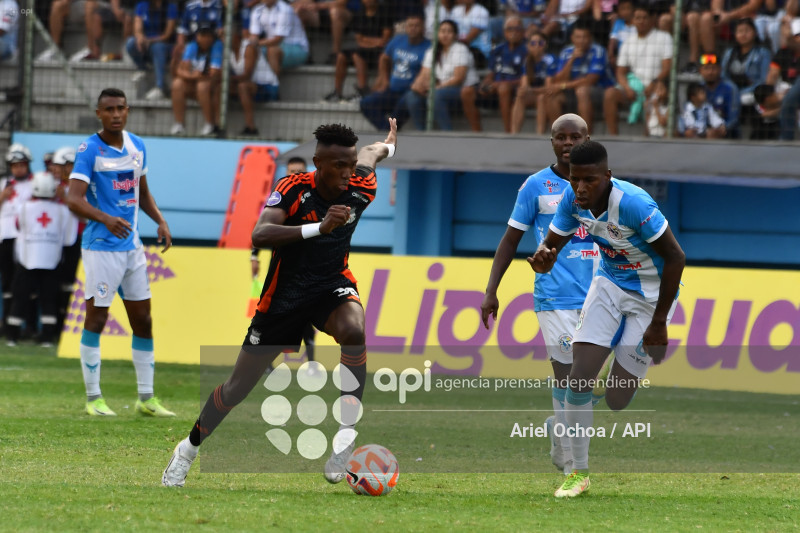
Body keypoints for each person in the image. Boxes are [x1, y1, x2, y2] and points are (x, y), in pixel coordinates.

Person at [162, 119, 398, 488]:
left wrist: (390, 144)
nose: (349, 173)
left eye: (351, 165)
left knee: (354, 330)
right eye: (340, 166)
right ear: (318, 163)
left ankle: (345, 433)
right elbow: (261, 233)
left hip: (330, 285)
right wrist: (319, 227)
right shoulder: (293, 189)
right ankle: (187, 449)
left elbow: (372, 152)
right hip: (284, 298)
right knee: (237, 388)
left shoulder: (361, 184)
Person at [531, 140, 685, 498]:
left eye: (590, 180)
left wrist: (659, 322)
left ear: (608, 177)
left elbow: (676, 258)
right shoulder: (573, 201)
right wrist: (545, 257)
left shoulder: (634, 206)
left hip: (650, 298)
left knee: (616, 400)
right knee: (577, 377)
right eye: (574, 180)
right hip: (609, 285)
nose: (581, 188)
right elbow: (551, 244)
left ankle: (609, 368)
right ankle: (578, 474)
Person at [481, 113, 595, 476]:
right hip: (555, 297)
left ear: (586, 140)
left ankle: (559, 431)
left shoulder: (601, 185)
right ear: (552, 143)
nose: (568, 144)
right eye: (561, 137)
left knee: (589, 383)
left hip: (600, 297)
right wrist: (491, 290)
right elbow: (510, 240)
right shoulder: (536, 186)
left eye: (575, 137)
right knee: (569, 377)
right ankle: (575, 466)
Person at [66, 87, 175, 418]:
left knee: (143, 320)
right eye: (109, 109)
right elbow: (73, 199)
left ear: (128, 111)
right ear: (98, 113)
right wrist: (105, 219)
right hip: (101, 249)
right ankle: (94, 398)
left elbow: (142, 191)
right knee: (96, 318)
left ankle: (146, 398)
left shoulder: (137, 145)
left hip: (132, 248)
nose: (116, 114)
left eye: (121, 108)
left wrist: (160, 220)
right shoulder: (89, 150)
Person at [249, 156, 317, 373]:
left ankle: (312, 364)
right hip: (282, 268)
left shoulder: (314, 197)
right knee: (273, 316)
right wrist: (254, 257)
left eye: (299, 171)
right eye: (291, 172)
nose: (294, 175)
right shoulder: (279, 198)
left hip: (308, 269)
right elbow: (262, 228)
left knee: (308, 318)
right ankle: (263, 361)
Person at [6, 172, 78, 347]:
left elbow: (17, 227)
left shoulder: (23, 208)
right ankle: (47, 337)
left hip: (26, 259)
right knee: (49, 299)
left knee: (20, 298)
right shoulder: (63, 211)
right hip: (52, 260)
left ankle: (12, 337)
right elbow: (69, 239)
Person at [602, 5, 672, 135]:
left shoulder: (664, 37)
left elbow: (667, 67)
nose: (641, 21)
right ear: (633, 20)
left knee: (653, 99)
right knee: (609, 94)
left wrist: (655, 82)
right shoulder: (628, 42)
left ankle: (648, 142)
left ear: (652, 19)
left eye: (645, 18)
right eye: (638, 18)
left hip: (656, 84)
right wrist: (627, 88)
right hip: (633, 86)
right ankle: (613, 138)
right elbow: (620, 72)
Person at [359, 12, 431, 130]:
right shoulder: (397, 40)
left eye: (416, 25)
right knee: (366, 103)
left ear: (423, 28)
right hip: (392, 90)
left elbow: (426, 71)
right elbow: (384, 58)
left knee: (398, 112)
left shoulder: (428, 46)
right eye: (410, 25)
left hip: (411, 92)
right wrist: (384, 79)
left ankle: (389, 132)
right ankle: (386, 130)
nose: (413, 28)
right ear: (406, 27)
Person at [405, 19, 479, 131]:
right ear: (437, 34)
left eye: (449, 31)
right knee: (411, 96)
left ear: (455, 35)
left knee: (436, 95)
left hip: (461, 90)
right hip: (440, 89)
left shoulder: (460, 49)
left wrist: (435, 88)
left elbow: (458, 78)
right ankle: (421, 132)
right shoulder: (432, 51)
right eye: (442, 31)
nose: (445, 34)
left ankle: (447, 132)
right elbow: (424, 73)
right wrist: (417, 85)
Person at [545, 19, 615, 134]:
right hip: (573, 91)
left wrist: (562, 86)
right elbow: (558, 79)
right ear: (572, 38)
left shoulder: (599, 51)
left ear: (590, 38)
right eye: (578, 37)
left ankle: (586, 137)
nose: (581, 40)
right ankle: (558, 135)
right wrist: (571, 60)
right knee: (551, 95)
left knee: (582, 91)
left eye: (584, 37)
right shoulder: (566, 52)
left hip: (600, 90)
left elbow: (590, 80)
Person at [461, 15, 526, 133]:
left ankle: (509, 133)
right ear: (504, 32)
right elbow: (491, 73)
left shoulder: (526, 51)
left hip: (514, 91)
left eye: (517, 29)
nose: (513, 33)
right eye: (510, 29)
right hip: (495, 88)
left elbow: (525, 80)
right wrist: (486, 83)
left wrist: (499, 84)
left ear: (523, 32)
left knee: (503, 88)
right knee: (467, 91)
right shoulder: (498, 50)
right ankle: (477, 132)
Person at [322, 0, 393, 103]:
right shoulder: (360, 14)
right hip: (364, 48)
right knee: (341, 55)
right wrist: (375, 41)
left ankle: (362, 90)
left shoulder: (384, 12)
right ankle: (337, 92)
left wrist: (367, 40)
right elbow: (359, 40)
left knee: (357, 55)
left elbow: (385, 40)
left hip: (380, 52)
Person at [0, 143, 34, 336]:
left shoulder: (36, 182)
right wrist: (3, 196)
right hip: (6, 238)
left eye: (21, 164)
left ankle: (28, 325)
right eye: (14, 165)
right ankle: (6, 324)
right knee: (7, 281)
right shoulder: (4, 183)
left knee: (25, 281)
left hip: (28, 239)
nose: (18, 169)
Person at [170, 22, 223, 136]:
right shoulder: (192, 46)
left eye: (208, 35)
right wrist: (195, 75)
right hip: (195, 81)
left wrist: (192, 75)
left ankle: (210, 124)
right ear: (197, 37)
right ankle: (179, 124)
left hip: (213, 84)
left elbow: (213, 73)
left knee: (202, 86)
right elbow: (180, 70)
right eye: (202, 35)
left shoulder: (217, 46)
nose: (205, 38)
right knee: (177, 84)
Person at [230, 20, 280, 136]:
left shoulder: (249, 47)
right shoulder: (229, 51)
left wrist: (227, 80)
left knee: (242, 86)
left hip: (267, 86)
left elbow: (247, 75)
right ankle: (215, 126)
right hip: (251, 86)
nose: (222, 39)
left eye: (224, 35)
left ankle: (251, 128)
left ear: (235, 36)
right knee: (219, 87)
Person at [126, 0, 179, 101]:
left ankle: (160, 87)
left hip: (164, 45)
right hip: (146, 44)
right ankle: (142, 68)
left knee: (157, 47)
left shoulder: (171, 7)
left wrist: (150, 40)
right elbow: (137, 27)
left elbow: (167, 35)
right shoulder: (141, 6)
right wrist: (140, 37)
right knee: (131, 43)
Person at [510, 29, 558, 134]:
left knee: (541, 98)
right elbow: (524, 85)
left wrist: (530, 90)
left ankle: (539, 134)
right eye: (533, 43)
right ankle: (514, 133)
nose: (537, 46)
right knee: (520, 95)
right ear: (528, 46)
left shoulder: (551, 59)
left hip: (550, 95)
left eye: (540, 43)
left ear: (545, 45)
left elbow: (548, 87)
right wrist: (524, 90)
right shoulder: (527, 61)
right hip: (535, 93)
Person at [249, 0, 310, 79]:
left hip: (298, 48)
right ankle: (257, 87)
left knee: (272, 50)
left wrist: (256, 43)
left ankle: (273, 87)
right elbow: (254, 36)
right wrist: (252, 42)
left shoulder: (285, 9)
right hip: (270, 45)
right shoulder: (257, 9)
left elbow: (278, 40)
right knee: (249, 50)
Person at [698, 53, 741, 137]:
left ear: (720, 70)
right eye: (706, 68)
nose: (710, 72)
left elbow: (734, 118)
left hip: (728, 133)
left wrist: (722, 128)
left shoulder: (730, 88)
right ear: (700, 71)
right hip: (704, 132)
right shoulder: (698, 88)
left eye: (713, 68)